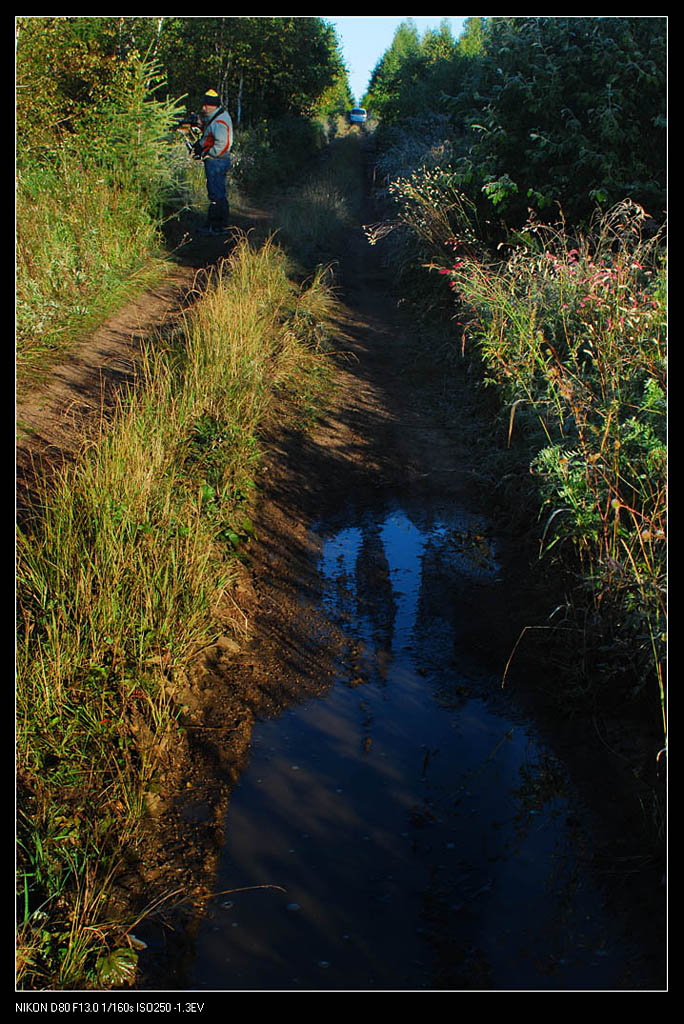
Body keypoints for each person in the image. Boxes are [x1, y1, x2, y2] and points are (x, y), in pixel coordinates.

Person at [193, 89, 233, 235]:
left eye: (206, 105)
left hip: (217, 161)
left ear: (213, 105)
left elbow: (223, 144)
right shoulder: (216, 117)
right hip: (217, 161)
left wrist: (207, 153)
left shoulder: (220, 120)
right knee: (219, 193)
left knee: (216, 195)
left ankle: (215, 227)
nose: (203, 108)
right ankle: (220, 225)